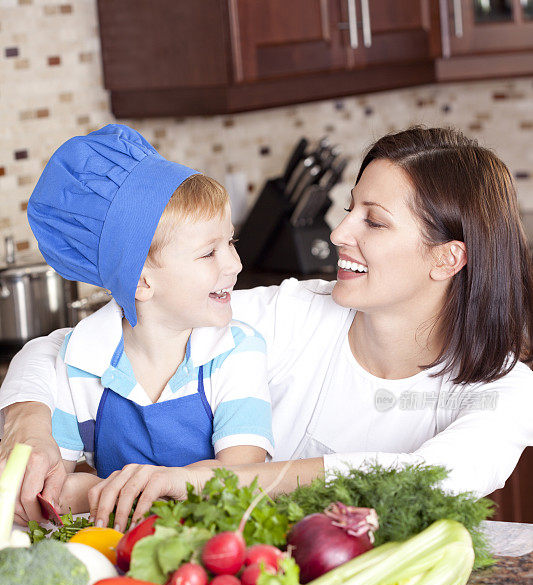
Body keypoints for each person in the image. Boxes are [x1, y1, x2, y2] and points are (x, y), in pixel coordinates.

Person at [1, 127, 532, 531]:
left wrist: (203, 481)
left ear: (447, 258)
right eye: (349, 209)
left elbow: (426, 477)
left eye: (374, 221)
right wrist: (29, 425)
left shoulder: (504, 394)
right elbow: (60, 350)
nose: (339, 231)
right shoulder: (294, 314)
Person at [2, 124, 274, 518]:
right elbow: (46, 493)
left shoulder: (235, 350)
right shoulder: (81, 363)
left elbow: (243, 474)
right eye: (208, 253)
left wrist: (93, 490)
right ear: (143, 281)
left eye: (230, 242)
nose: (235, 263)